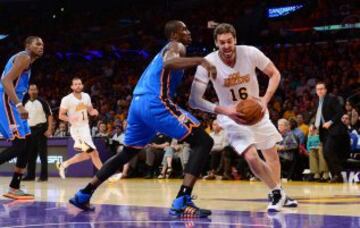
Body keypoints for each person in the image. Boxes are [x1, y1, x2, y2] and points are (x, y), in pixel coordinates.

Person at [69, 20, 216, 217]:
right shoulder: (175, 46)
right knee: (203, 141)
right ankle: (182, 199)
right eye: (184, 29)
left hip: (137, 105)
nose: (189, 32)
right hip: (154, 102)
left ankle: (84, 193)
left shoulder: (171, 51)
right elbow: (169, 62)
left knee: (127, 153)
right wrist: (201, 60)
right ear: (174, 35)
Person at [189, 23, 297, 211]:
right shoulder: (208, 62)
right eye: (222, 42)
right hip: (231, 118)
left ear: (235, 40)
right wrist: (226, 111)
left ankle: (278, 193)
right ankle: (277, 193)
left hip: (257, 111)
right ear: (216, 43)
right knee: (252, 156)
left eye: (229, 41)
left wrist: (264, 100)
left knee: (271, 154)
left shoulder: (250, 52)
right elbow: (194, 100)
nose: (226, 46)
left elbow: (275, 74)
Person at [0, 36, 44, 199]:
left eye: (42, 44)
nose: (41, 47)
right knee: (19, 145)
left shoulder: (27, 60)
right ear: (27, 46)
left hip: (12, 101)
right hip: (6, 100)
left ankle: (14, 187)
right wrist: (19, 105)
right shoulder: (24, 57)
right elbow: (5, 81)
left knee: (28, 143)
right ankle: (14, 186)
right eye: (37, 44)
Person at [56, 78, 102, 179]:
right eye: (75, 84)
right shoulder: (66, 99)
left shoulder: (86, 96)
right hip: (76, 130)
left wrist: (94, 111)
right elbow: (60, 115)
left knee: (91, 153)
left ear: (82, 85)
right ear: (72, 87)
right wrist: (69, 118)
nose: (78, 86)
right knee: (93, 153)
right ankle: (105, 175)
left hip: (85, 128)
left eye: (79, 84)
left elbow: (90, 110)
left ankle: (64, 164)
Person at [314, 82, 350, 183]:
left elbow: (340, 112)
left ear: (325, 90)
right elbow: (318, 117)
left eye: (321, 89)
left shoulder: (332, 99)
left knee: (328, 151)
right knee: (326, 153)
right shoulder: (318, 102)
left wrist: (330, 122)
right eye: (318, 89)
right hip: (325, 132)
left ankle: (338, 174)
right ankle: (335, 175)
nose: (320, 91)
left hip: (335, 130)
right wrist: (315, 125)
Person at [23, 84, 53, 181]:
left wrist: (49, 129)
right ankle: (30, 175)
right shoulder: (26, 103)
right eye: (31, 90)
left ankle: (44, 176)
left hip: (41, 130)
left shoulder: (42, 101)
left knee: (42, 155)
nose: (33, 91)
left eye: (35, 89)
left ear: (37, 90)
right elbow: (23, 118)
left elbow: (50, 115)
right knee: (30, 155)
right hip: (29, 131)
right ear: (28, 91)